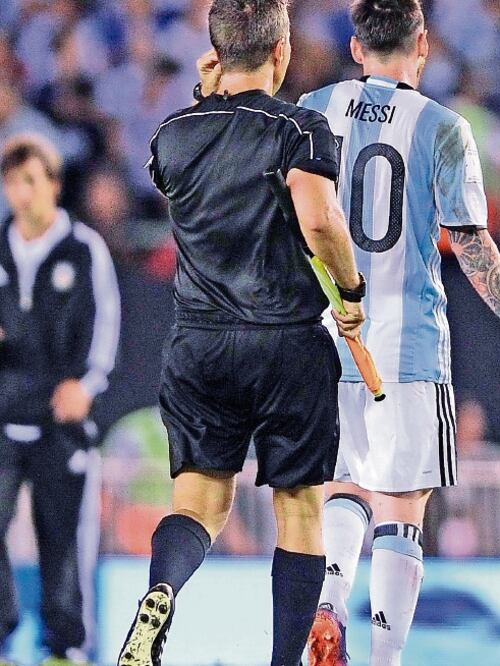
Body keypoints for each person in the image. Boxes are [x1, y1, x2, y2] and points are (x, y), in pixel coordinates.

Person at [204, 1, 500, 664]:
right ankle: (384, 660)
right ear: (423, 43)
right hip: (407, 345)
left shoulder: (312, 108)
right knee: (401, 506)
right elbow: (468, 242)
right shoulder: (443, 128)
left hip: (323, 338)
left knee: (343, 485)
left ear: (355, 47)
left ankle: (328, 603)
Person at [115, 2, 365, 665]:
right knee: (300, 511)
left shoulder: (171, 134)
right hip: (286, 341)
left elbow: (202, 158)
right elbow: (319, 219)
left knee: (197, 503)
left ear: (216, 51)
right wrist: (351, 288)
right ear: (281, 51)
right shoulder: (303, 130)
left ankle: (162, 590)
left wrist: (207, 92)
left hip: (199, 343)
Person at [0, 133, 120, 665]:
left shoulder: (83, 249)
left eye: (30, 181)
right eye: (11, 182)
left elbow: (105, 327)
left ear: (53, 184)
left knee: (63, 536)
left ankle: (64, 647)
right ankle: (3, 628)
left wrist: (87, 385)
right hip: (4, 413)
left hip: (59, 416)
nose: (20, 194)